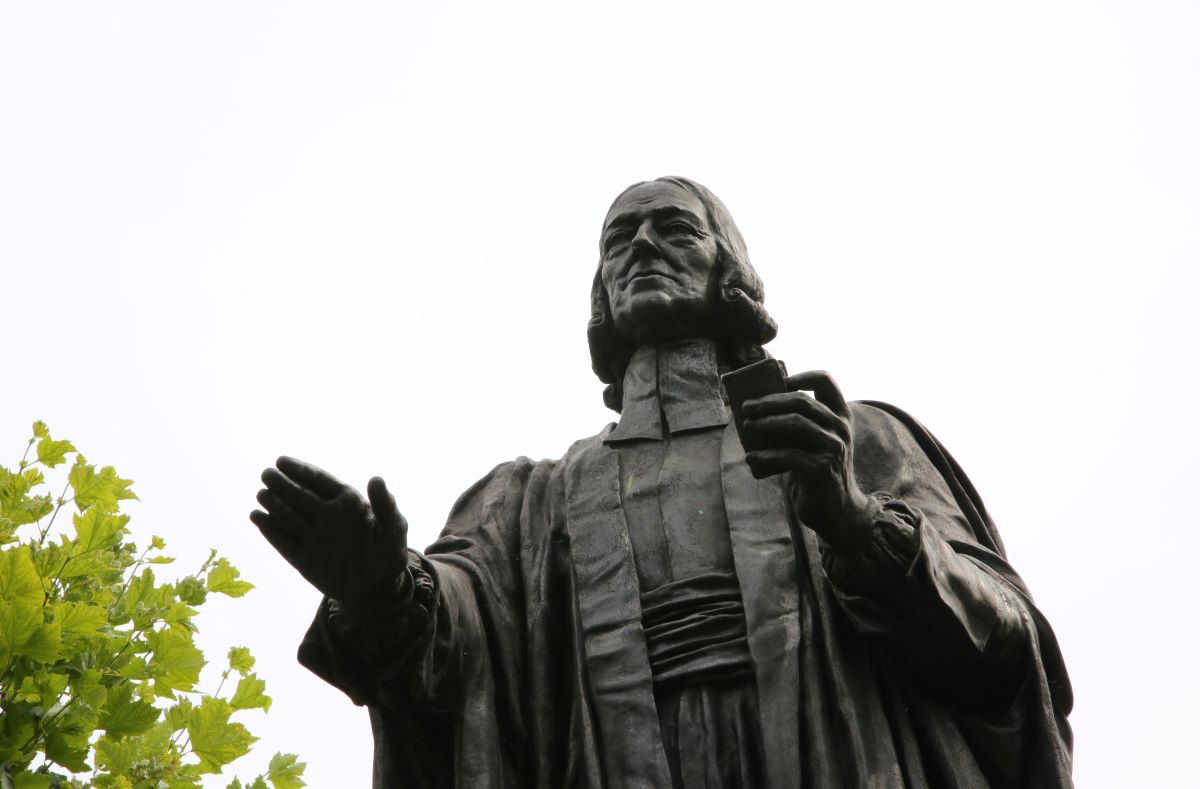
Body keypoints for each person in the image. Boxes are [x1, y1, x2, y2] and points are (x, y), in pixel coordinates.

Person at [251, 177, 1073, 788]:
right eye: (619, 238)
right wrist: (382, 591)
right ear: (602, 292)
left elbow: (1008, 650)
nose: (641, 245)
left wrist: (856, 521)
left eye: (674, 228)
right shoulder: (528, 500)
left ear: (730, 269)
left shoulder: (847, 435)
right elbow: (457, 640)